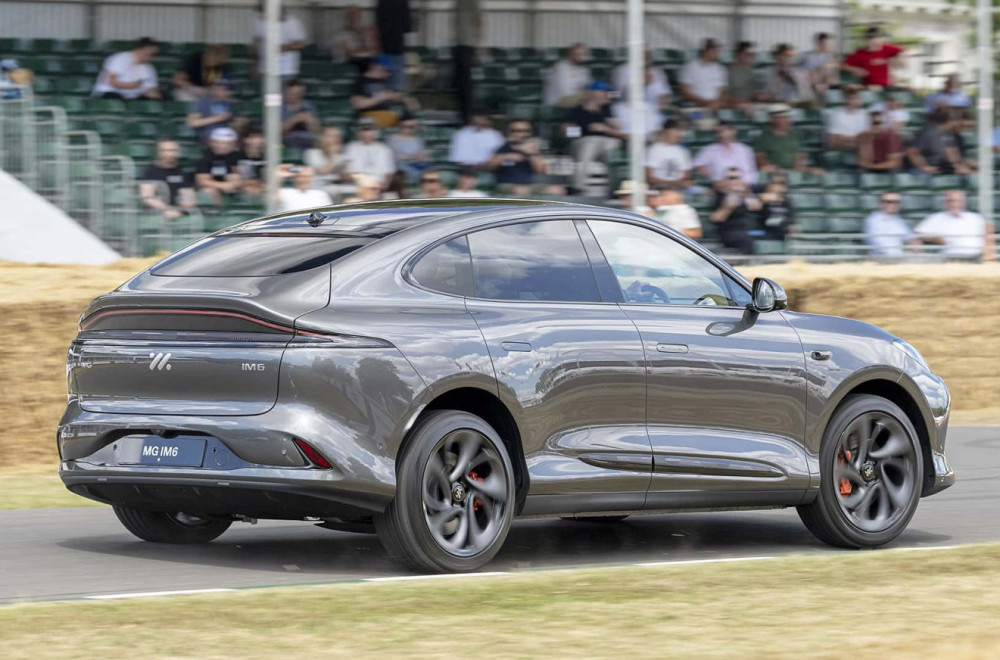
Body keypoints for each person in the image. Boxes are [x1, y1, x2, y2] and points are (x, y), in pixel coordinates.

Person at [567, 81, 623, 193]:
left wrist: (604, 128)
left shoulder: (607, 109)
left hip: (606, 141)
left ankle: (615, 189)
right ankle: (578, 186)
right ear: (592, 93)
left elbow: (618, 131)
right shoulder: (578, 110)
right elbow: (569, 132)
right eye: (602, 92)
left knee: (611, 150)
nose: (605, 95)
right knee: (590, 144)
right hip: (584, 141)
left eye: (605, 92)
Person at [913, 190, 996, 261]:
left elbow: (988, 236)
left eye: (958, 200)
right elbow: (916, 234)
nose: (955, 204)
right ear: (945, 202)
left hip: (975, 257)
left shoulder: (975, 218)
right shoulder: (936, 218)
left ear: (964, 202)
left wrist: (989, 253)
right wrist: (934, 238)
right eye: (951, 201)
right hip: (951, 257)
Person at [487, 118, 550, 196]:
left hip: (532, 185)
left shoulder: (533, 149)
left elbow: (541, 170)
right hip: (507, 185)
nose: (522, 134)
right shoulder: (503, 148)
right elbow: (489, 167)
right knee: (520, 190)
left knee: (557, 190)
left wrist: (532, 154)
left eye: (526, 131)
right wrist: (505, 156)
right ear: (509, 132)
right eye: (517, 131)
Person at [350, 55, 417, 128]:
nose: (388, 73)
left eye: (388, 70)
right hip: (369, 116)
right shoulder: (361, 81)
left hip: (388, 115)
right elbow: (358, 104)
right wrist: (381, 97)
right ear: (373, 66)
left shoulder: (385, 81)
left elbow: (394, 97)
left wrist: (403, 99)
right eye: (384, 69)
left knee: (410, 122)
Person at [139, 139, 196, 220]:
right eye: (164, 150)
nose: (169, 154)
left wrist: (185, 206)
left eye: (172, 150)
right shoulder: (150, 171)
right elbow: (147, 197)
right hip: (157, 212)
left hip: (178, 211)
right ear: (158, 152)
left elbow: (187, 194)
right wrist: (166, 209)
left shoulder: (181, 170)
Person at [708, 166, 761, 252]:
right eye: (730, 178)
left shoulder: (746, 195)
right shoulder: (719, 196)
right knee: (744, 239)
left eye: (737, 178)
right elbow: (715, 218)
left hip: (746, 230)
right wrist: (727, 208)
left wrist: (746, 193)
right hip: (729, 232)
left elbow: (756, 207)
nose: (734, 182)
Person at [91, 37, 160, 100]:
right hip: (110, 93)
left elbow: (151, 88)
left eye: (154, 55)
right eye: (150, 54)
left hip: (133, 97)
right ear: (139, 50)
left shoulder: (149, 68)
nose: (152, 58)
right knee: (113, 98)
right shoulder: (120, 58)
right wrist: (133, 85)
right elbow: (110, 81)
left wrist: (153, 94)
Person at [754, 108, 820, 174]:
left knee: (818, 171)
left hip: (794, 170)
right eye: (782, 118)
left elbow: (801, 155)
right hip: (774, 170)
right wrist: (774, 168)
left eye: (787, 118)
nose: (787, 120)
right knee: (764, 169)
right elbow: (759, 157)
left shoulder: (795, 137)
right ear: (773, 119)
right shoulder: (763, 138)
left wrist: (799, 166)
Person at [692, 121, 757, 187]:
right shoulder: (709, 150)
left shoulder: (745, 150)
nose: (721, 135)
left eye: (723, 131)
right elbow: (695, 165)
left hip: (743, 185)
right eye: (717, 132)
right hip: (720, 185)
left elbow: (751, 173)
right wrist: (701, 168)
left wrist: (738, 183)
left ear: (733, 131)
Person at [253, 4, 306, 83]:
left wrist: (285, 48)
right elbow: (256, 43)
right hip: (265, 69)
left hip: (287, 70)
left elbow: (301, 44)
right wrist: (254, 65)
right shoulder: (260, 21)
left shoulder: (292, 22)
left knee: (286, 94)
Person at [907, 109, 969, 175]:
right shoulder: (928, 131)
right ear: (951, 120)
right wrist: (923, 167)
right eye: (959, 120)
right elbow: (912, 151)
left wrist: (960, 166)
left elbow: (952, 154)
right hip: (923, 172)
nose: (961, 123)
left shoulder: (950, 134)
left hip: (941, 170)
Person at [343, 118, 396, 189]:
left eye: (371, 129)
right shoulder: (351, 147)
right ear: (358, 132)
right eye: (364, 129)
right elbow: (348, 171)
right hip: (356, 185)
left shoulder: (384, 149)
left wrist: (385, 186)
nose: (367, 133)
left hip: (378, 184)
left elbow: (389, 172)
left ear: (377, 132)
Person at [194, 127, 242, 205]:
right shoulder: (205, 157)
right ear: (213, 142)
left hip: (229, 187)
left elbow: (236, 177)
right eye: (221, 143)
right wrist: (223, 185)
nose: (224, 146)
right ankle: (219, 215)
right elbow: (201, 180)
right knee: (209, 191)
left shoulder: (235, 156)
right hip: (211, 187)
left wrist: (234, 183)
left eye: (228, 143)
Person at [453, 0, 483, 126]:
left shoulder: (473, 3)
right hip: (459, 44)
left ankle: (467, 115)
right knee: (461, 83)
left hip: (467, 44)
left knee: (466, 82)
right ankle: (463, 114)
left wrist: (477, 41)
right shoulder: (458, 3)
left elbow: (479, 21)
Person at [678, 38, 727, 112]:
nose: (717, 52)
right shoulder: (689, 67)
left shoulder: (719, 69)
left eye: (717, 50)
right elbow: (685, 93)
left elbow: (722, 91)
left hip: (716, 106)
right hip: (697, 105)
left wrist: (717, 102)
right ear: (705, 51)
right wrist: (704, 102)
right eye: (714, 50)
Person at [186, 77, 242, 142]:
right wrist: (218, 118)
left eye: (226, 89)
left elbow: (236, 125)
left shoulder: (232, 103)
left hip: (229, 137)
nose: (223, 91)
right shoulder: (202, 101)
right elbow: (192, 122)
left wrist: (238, 124)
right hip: (209, 137)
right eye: (219, 88)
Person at [305, 126, 352, 199]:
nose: (333, 139)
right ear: (321, 138)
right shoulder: (312, 153)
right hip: (319, 187)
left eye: (336, 137)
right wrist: (332, 154)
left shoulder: (342, 155)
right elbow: (323, 171)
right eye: (329, 136)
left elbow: (348, 175)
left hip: (338, 186)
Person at [375, 0, 412, 91]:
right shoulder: (403, 2)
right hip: (397, 48)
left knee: (383, 85)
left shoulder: (381, 2)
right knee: (396, 87)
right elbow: (407, 28)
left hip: (383, 49)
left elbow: (377, 25)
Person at [645, 119, 692, 191]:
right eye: (677, 131)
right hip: (658, 188)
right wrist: (670, 183)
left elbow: (685, 175)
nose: (680, 134)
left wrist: (676, 184)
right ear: (667, 131)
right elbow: (649, 177)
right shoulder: (653, 150)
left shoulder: (682, 151)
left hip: (678, 189)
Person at [863, 192, 912, 257]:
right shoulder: (873, 221)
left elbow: (910, 239)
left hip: (899, 257)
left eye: (896, 202)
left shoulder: (899, 220)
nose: (893, 204)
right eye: (889, 202)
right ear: (881, 204)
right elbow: (875, 245)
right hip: (880, 258)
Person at [544, 43, 592, 108]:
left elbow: (589, 85)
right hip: (557, 102)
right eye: (577, 54)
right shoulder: (560, 67)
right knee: (595, 95)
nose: (580, 57)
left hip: (576, 100)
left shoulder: (584, 70)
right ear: (570, 55)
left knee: (599, 94)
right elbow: (564, 92)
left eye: (583, 54)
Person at [387, 117, 431, 183]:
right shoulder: (392, 138)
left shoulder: (418, 140)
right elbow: (388, 156)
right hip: (399, 165)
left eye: (411, 127)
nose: (407, 129)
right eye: (404, 126)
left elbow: (424, 156)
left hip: (416, 165)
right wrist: (408, 157)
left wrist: (423, 157)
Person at [281, 78, 320, 148]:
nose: (295, 96)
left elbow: (316, 131)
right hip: (286, 142)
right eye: (292, 93)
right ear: (286, 92)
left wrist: (310, 122)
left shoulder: (308, 106)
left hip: (307, 141)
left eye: (298, 94)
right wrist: (295, 120)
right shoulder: (280, 108)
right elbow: (276, 132)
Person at [755, 174, 795, 241]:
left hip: (783, 231)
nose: (778, 186)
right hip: (767, 231)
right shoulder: (763, 198)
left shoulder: (787, 201)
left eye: (782, 183)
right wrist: (762, 201)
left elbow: (791, 219)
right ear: (769, 185)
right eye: (774, 183)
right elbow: (765, 220)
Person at [800, 32, 839, 102]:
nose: (830, 46)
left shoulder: (829, 57)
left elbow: (834, 76)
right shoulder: (809, 57)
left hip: (826, 86)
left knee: (829, 69)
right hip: (812, 87)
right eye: (828, 44)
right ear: (820, 44)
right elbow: (808, 76)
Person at [339, 6, 378, 71]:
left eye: (357, 17)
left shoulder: (364, 32)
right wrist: (364, 50)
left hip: (367, 60)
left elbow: (373, 48)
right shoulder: (343, 34)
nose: (355, 19)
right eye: (352, 17)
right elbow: (348, 53)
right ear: (347, 18)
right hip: (354, 62)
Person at [727, 41, 758, 113]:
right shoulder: (730, 72)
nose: (751, 57)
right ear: (739, 54)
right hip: (735, 107)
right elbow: (726, 97)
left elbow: (754, 93)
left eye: (752, 55)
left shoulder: (750, 70)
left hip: (751, 105)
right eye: (748, 54)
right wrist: (742, 102)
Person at [236, 126, 267, 196]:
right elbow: (236, 177)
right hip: (243, 187)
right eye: (253, 138)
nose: (257, 141)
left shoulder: (268, 157)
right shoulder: (237, 156)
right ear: (245, 140)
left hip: (263, 186)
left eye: (259, 137)